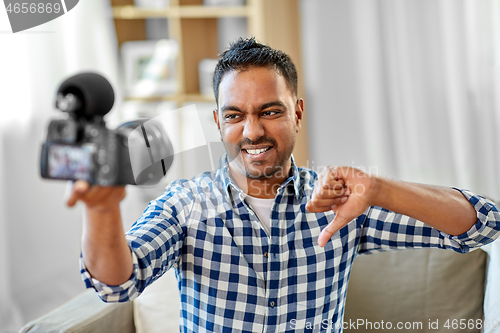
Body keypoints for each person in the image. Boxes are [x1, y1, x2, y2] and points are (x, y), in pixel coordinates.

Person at [67, 37, 500, 332]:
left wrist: (381, 189)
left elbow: (484, 222)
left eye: (270, 111)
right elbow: (115, 284)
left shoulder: (341, 201)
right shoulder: (185, 204)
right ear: (219, 123)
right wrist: (101, 207)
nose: (252, 131)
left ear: (297, 112)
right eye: (235, 116)